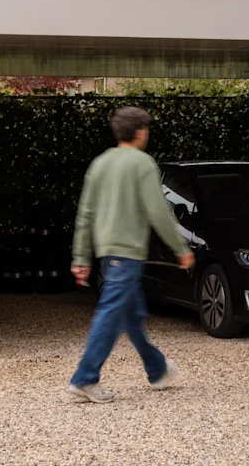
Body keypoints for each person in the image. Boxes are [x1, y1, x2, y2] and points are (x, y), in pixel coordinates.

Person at [67, 106, 195, 404]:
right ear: (139, 132)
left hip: (107, 253)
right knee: (111, 313)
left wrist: (81, 257)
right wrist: (180, 248)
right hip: (128, 254)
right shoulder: (142, 163)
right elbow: (158, 211)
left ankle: (157, 369)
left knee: (130, 314)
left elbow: (85, 213)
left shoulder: (100, 163)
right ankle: (84, 379)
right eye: (147, 130)